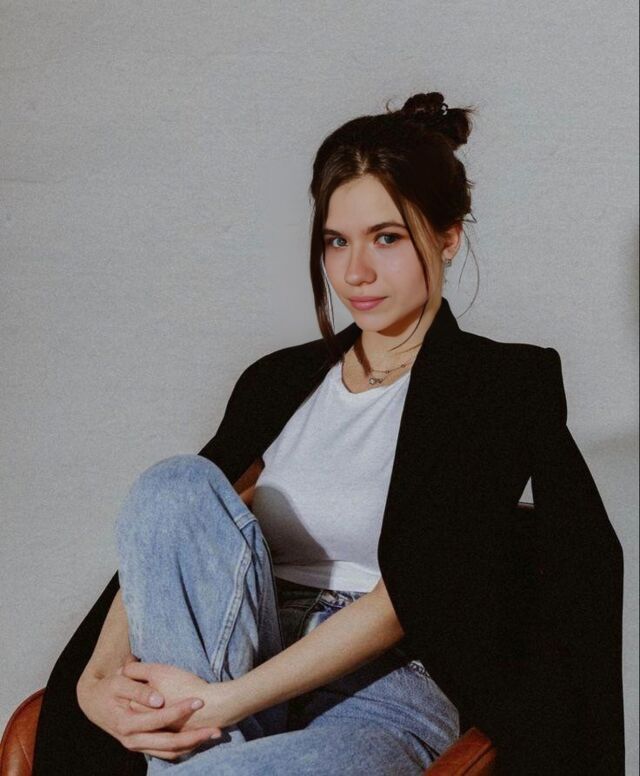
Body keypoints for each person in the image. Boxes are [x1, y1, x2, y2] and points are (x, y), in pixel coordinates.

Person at [32, 92, 625, 776]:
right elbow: (168, 540)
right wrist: (97, 681)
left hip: (381, 691)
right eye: (336, 241)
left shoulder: (494, 386)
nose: (355, 272)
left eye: (387, 238)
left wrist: (223, 704)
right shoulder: (279, 381)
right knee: (174, 483)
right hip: (237, 651)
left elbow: (413, 595)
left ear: (447, 237)